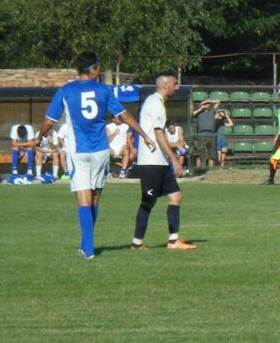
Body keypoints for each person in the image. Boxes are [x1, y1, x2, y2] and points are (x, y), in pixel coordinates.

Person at [35, 52, 155, 258]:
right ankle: (86, 244)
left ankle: (88, 249)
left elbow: (49, 121)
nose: (100, 70)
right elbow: (124, 115)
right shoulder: (103, 90)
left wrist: (38, 138)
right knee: (95, 198)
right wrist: (144, 135)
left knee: (83, 199)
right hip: (100, 150)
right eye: (98, 67)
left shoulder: (65, 91)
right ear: (91, 70)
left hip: (78, 151)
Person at [128, 74, 195, 251]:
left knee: (176, 196)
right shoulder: (155, 104)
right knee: (147, 201)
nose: (177, 87)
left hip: (160, 162)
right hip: (152, 162)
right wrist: (175, 159)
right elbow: (159, 135)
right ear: (165, 85)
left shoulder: (156, 102)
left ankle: (173, 241)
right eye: (175, 83)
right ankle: (136, 243)